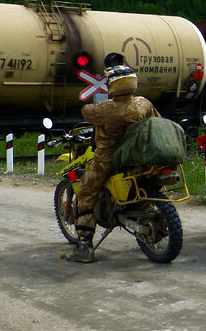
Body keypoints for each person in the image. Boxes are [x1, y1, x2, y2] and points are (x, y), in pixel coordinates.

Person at [64, 62, 159, 263]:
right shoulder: (144, 103)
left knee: (86, 192)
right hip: (141, 155)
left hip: (108, 158)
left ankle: (84, 246)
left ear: (113, 85)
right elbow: (157, 121)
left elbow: (85, 111)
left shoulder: (105, 109)